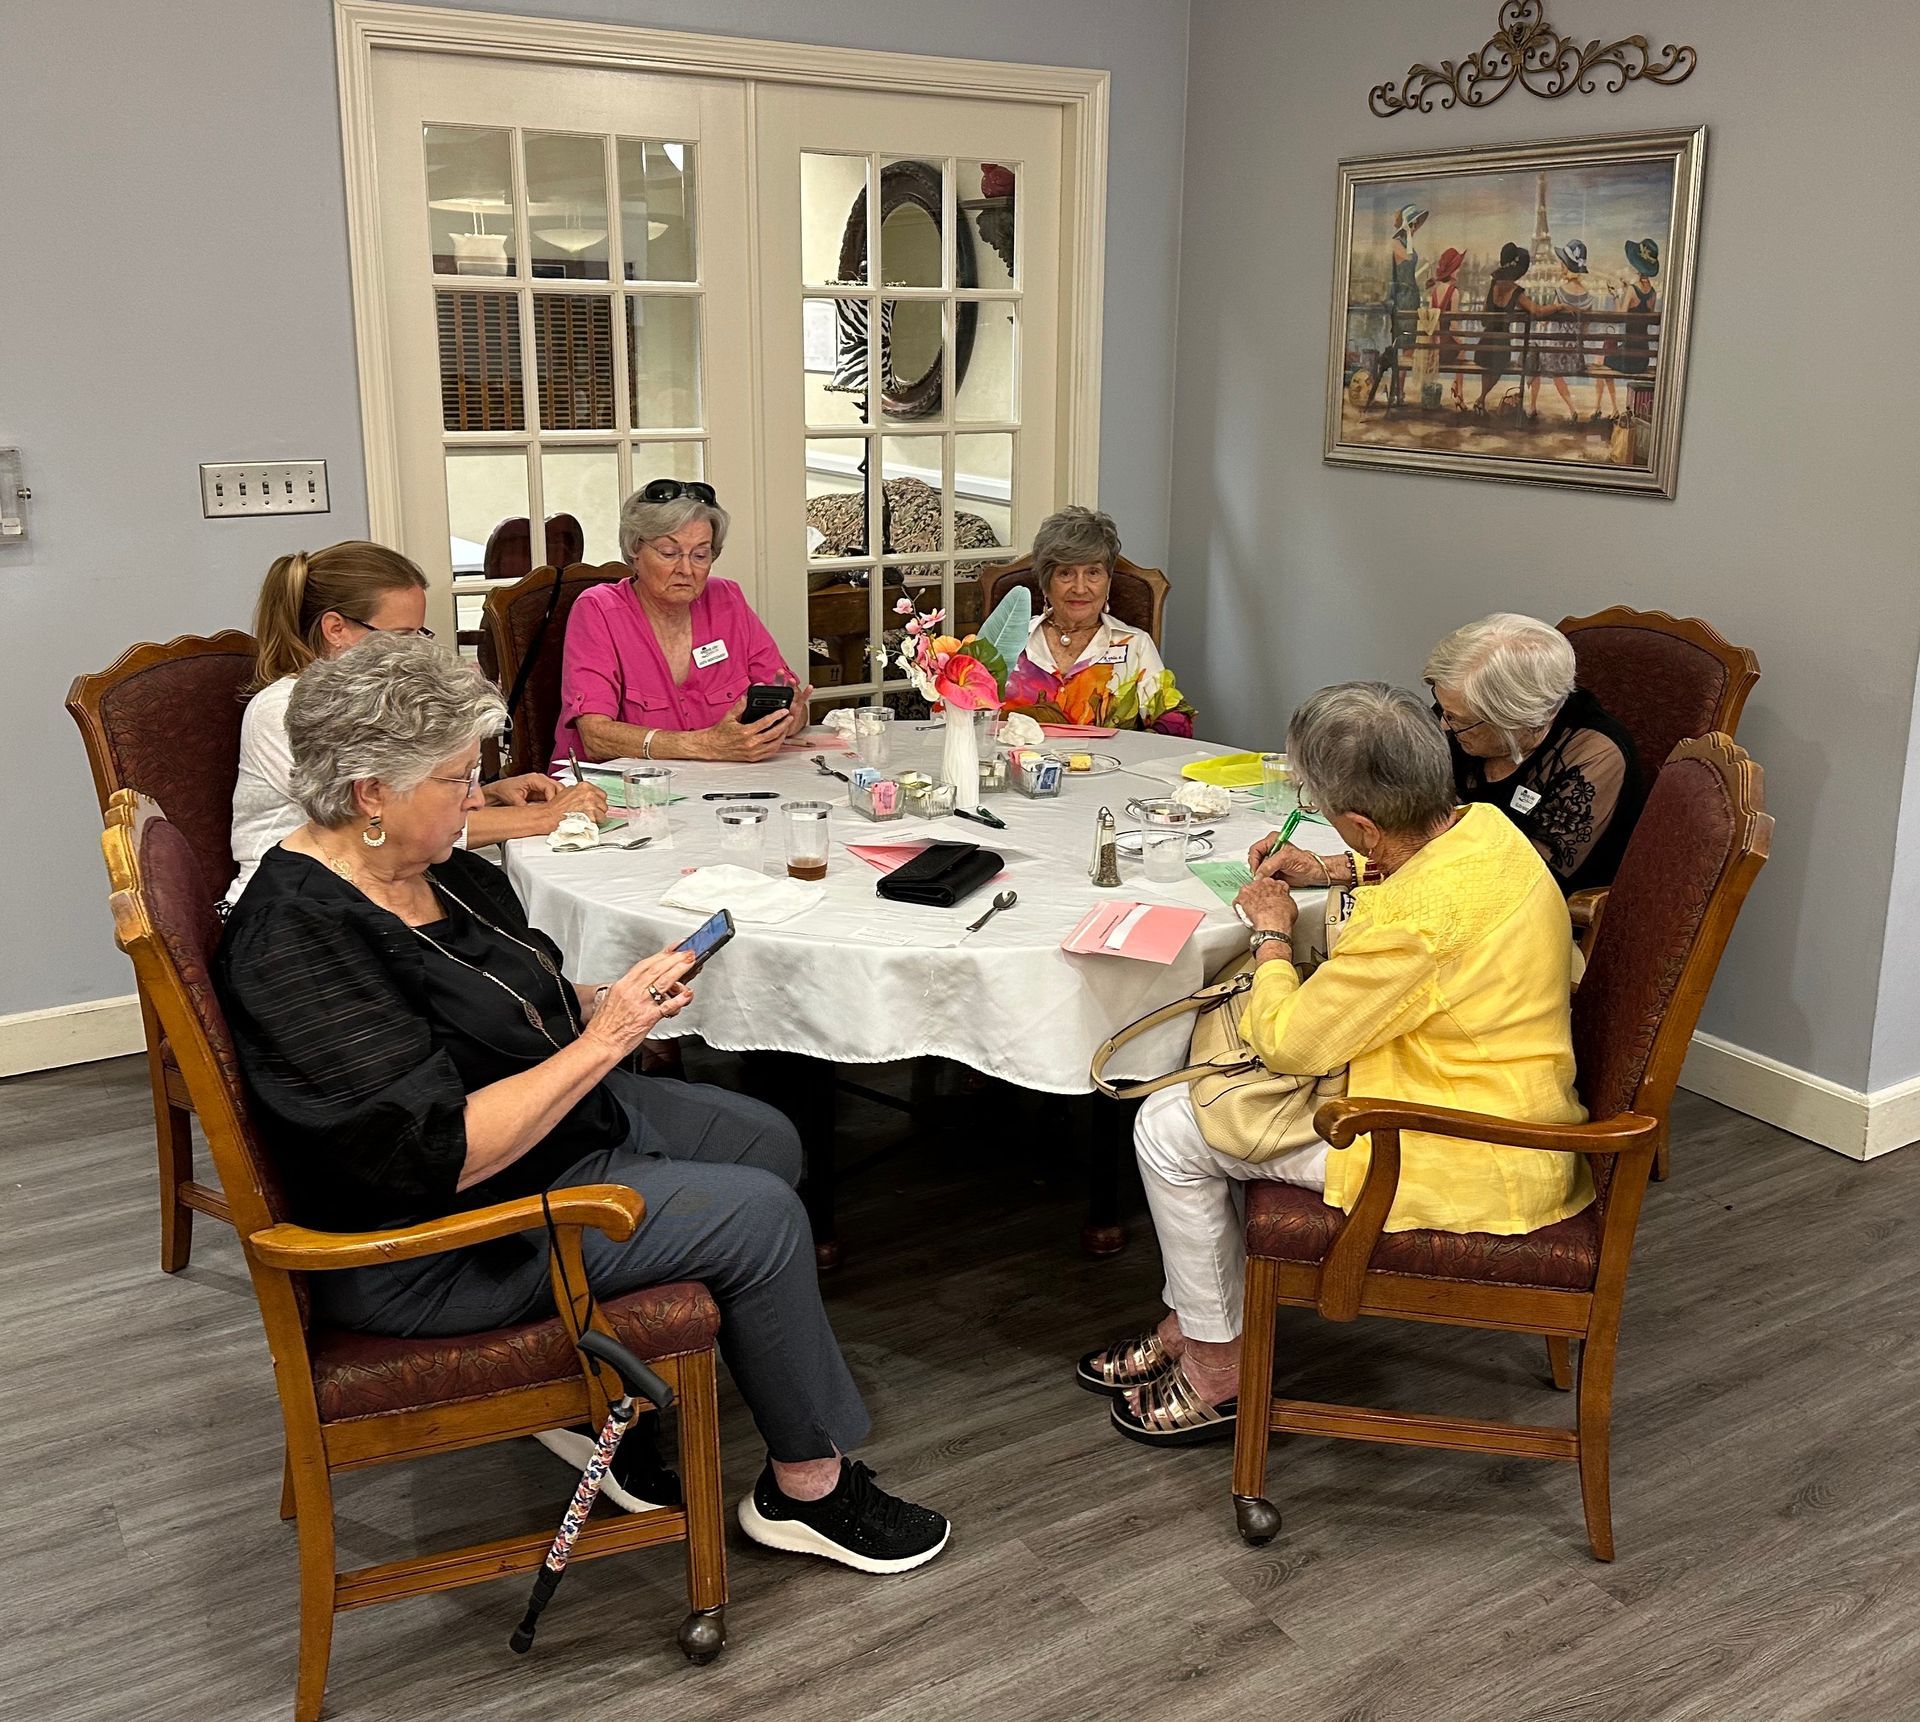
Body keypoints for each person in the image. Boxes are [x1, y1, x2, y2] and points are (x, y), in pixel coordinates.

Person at [216, 636, 948, 1573]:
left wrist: (604, 1003)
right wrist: (604, 1044)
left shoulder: (422, 867)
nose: (475, 798)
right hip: (449, 1238)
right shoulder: (298, 942)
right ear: (368, 795)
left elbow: (500, 1003)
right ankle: (809, 1488)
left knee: (766, 1139)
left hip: (547, 1138)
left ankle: (621, 1391)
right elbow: (438, 1154)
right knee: (760, 1218)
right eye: (454, 780)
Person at [1083, 683, 1593, 1444]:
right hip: (1496, 1086)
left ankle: (1218, 1360)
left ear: (1361, 822)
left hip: (1456, 1143)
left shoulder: (1420, 927)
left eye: (1329, 816)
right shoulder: (1485, 827)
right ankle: (1197, 1319)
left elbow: (1290, 1041)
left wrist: (1272, 933)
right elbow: (1425, 869)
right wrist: (1335, 869)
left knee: (1166, 1126)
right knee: (1203, 1104)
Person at [227, 541, 605, 905]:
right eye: (401, 636)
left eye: (419, 635)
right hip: (298, 903)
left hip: (375, 880)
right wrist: (545, 817)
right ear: (336, 629)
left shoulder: (374, 698)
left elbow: (403, 797)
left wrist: (488, 793)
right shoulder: (283, 711)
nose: (413, 652)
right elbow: (388, 821)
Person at [554, 480, 811, 765]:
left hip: (716, 783)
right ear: (634, 550)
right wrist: (705, 745)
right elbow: (595, 737)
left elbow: (788, 698)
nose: (686, 569)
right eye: (669, 553)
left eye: (701, 555)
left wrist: (786, 719)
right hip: (615, 790)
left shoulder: (727, 599)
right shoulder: (598, 609)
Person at [1424, 613, 1644, 894]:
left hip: (1524, 912)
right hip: (1438, 880)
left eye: (1458, 720)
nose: (1443, 725)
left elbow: (1529, 879)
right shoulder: (1458, 713)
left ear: (1519, 720)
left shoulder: (1593, 755)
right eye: (1442, 708)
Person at [1000, 506, 1195, 734]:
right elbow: (973, 713)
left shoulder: (1134, 644)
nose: (1080, 588)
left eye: (1093, 573)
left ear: (1108, 582)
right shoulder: (1010, 640)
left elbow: (1176, 721)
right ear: (1046, 583)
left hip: (1110, 768)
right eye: (1066, 573)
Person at [1470, 242, 1555, 414]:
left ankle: (1481, 399)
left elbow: (1484, 318)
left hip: (1484, 345)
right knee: (1499, 362)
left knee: (1490, 361)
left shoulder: (1493, 285)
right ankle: (1480, 398)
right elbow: (1537, 311)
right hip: (1502, 346)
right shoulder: (1516, 292)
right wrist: (1558, 307)